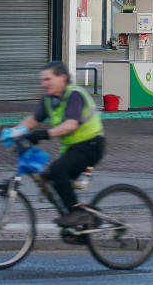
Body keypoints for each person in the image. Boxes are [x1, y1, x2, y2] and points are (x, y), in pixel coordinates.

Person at [15, 61, 105, 227]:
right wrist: (13, 133)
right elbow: (34, 120)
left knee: (58, 170)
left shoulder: (74, 95)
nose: (44, 84)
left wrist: (44, 134)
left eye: (48, 79)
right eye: (42, 80)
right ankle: (80, 224)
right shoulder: (49, 100)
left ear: (62, 78)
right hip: (72, 147)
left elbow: (71, 124)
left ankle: (76, 213)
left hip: (91, 144)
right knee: (49, 181)